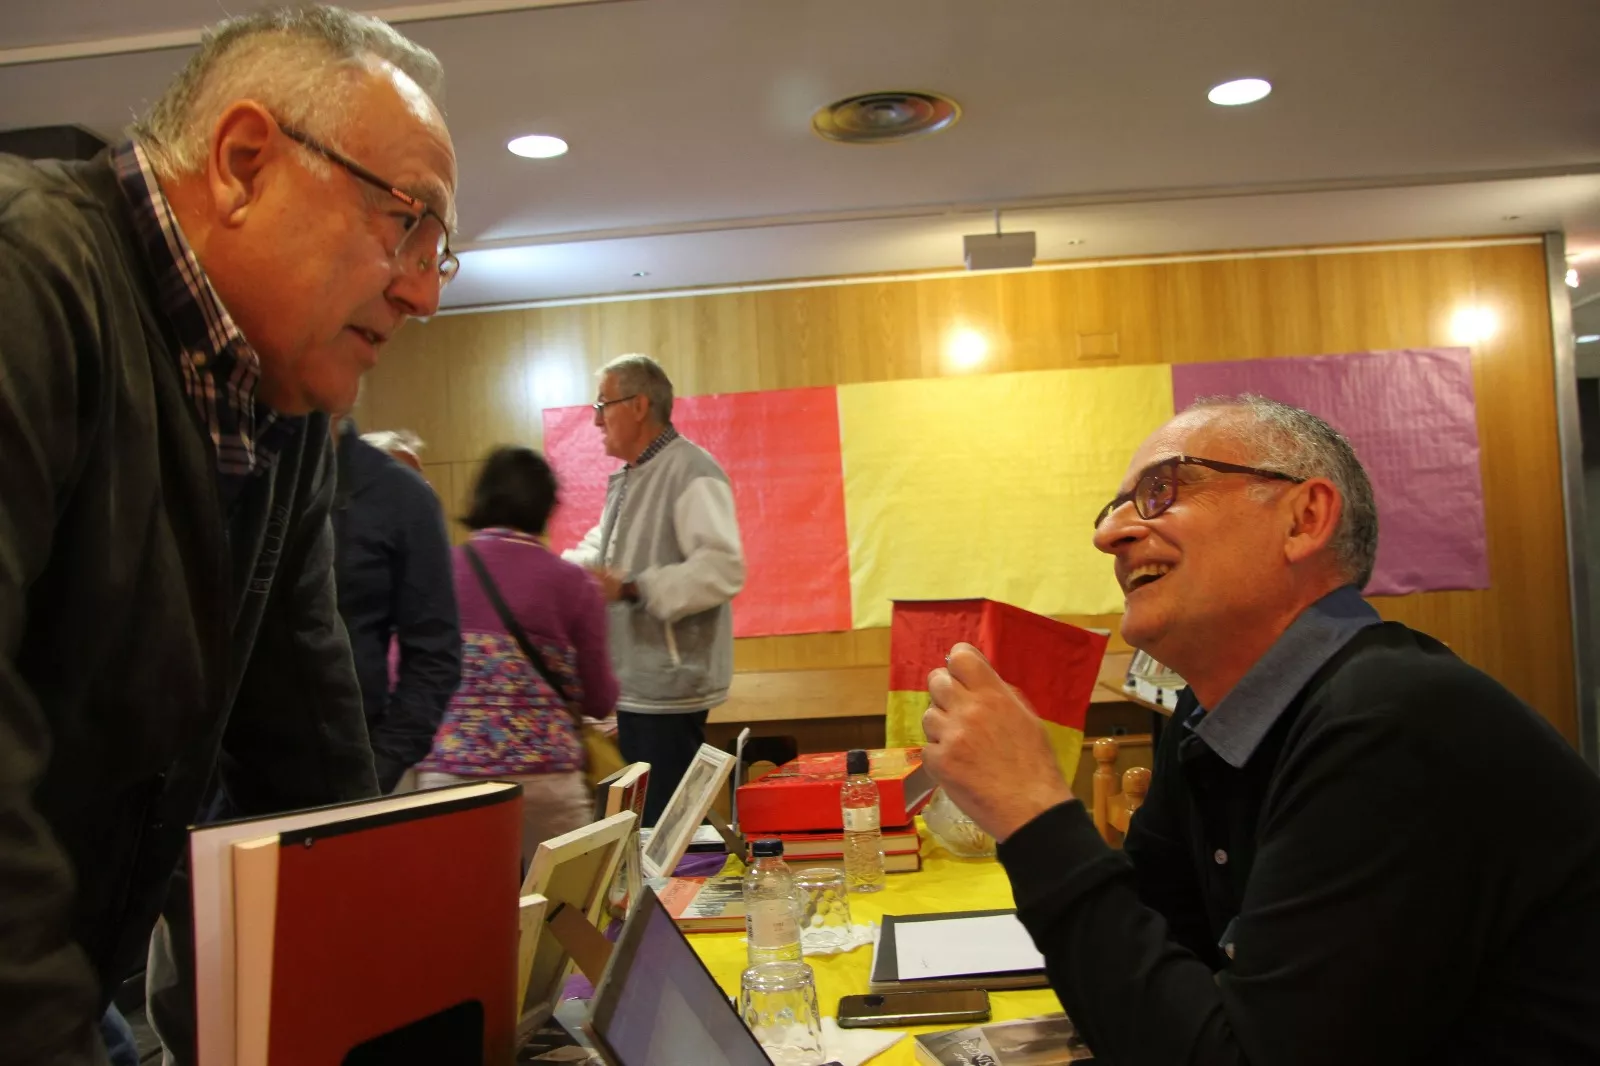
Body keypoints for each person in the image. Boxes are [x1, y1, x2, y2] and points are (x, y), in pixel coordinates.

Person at [0, 6, 458, 1063]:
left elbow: (308, 750)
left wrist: (402, 1013)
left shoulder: (281, 409)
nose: (425, 290)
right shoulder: (28, 277)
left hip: (77, 969)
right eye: (406, 224)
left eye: (443, 250)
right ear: (246, 160)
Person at [923, 396, 1600, 1065]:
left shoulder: (1394, 722)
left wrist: (1034, 811)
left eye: (1162, 490)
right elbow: (1152, 989)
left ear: (1304, 519)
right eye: (1114, 509)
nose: (1111, 536)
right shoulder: (1207, 715)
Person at [563, 354, 745, 825]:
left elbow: (722, 568)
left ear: (639, 405)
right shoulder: (632, 475)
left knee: (665, 833)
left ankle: (681, 899)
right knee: (652, 829)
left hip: (670, 684)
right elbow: (602, 548)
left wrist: (632, 588)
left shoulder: (690, 470)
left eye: (604, 404)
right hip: (639, 682)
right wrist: (554, 574)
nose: (596, 418)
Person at [418, 447, 619, 861]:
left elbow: (403, 675)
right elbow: (600, 698)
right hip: (546, 779)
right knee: (570, 911)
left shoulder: (435, 572)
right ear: (547, 507)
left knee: (457, 910)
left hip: (452, 777)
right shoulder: (574, 584)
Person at [333, 418, 462, 794]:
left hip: (372, 757)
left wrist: (380, 764)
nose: (424, 486)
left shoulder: (403, 499)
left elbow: (434, 655)